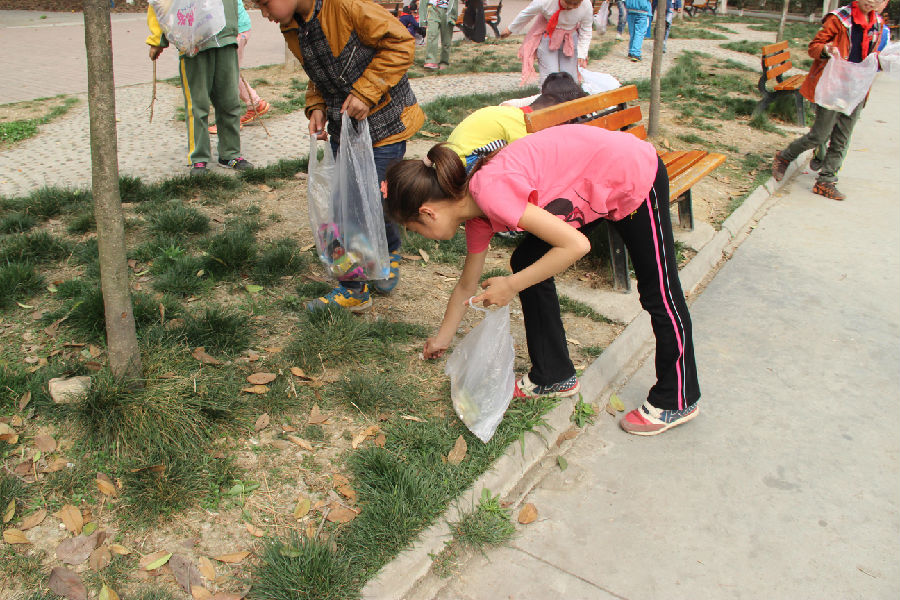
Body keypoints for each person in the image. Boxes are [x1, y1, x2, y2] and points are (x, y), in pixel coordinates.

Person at [384, 125, 701, 436]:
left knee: (659, 291)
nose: (419, 237)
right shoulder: (476, 213)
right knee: (527, 260)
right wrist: (442, 338)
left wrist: (511, 285)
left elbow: (577, 246)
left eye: (414, 230)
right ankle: (553, 374)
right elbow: (467, 285)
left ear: (428, 213)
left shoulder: (491, 193)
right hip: (593, 182)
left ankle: (679, 397)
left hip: (631, 174)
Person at [255, 0, 425, 312]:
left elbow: (401, 42)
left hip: (386, 126)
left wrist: (365, 92)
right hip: (343, 129)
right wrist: (316, 104)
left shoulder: (346, 7)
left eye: (265, 4)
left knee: (376, 200)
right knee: (344, 210)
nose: (264, 14)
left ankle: (388, 250)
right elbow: (318, 70)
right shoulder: (292, 24)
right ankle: (353, 287)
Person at [771, 0, 885, 200]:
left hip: (856, 90)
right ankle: (785, 156)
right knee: (819, 136)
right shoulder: (839, 19)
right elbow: (813, 48)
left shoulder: (878, 24)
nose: (871, 2)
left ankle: (826, 180)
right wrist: (827, 49)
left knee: (842, 137)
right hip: (832, 86)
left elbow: (873, 56)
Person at [147, 0, 253, 175]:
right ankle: (199, 158)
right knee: (197, 105)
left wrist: (240, 26)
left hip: (226, 39)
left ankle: (230, 153)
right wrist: (157, 39)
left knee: (230, 102)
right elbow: (160, 3)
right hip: (193, 43)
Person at [448, 72, 587, 170]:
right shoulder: (520, 125)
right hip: (460, 168)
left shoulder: (513, 113)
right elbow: (528, 160)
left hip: (451, 161)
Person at [210, 1, 271, 135]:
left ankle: (231, 120)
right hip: (233, 29)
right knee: (231, 73)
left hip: (233, 31)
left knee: (227, 75)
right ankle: (255, 103)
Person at [500, 0, 594, 85]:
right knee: (549, 75)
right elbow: (527, 14)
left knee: (569, 77)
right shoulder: (545, 2)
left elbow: (586, 29)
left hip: (569, 39)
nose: (571, 6)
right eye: (568, 2)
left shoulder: (586, 5)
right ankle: (547, 98)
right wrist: (510, 29)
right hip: (548, 36)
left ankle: (568, 99)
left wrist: (582, 53)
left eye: (576, 3)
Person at [422, 0, 459, 69]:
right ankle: (430, 60)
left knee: (446, 39)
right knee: (432, 34)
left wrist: (454, 17)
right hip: (433, 8)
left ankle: (444, 61)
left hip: (449, 11)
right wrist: (423, 19)